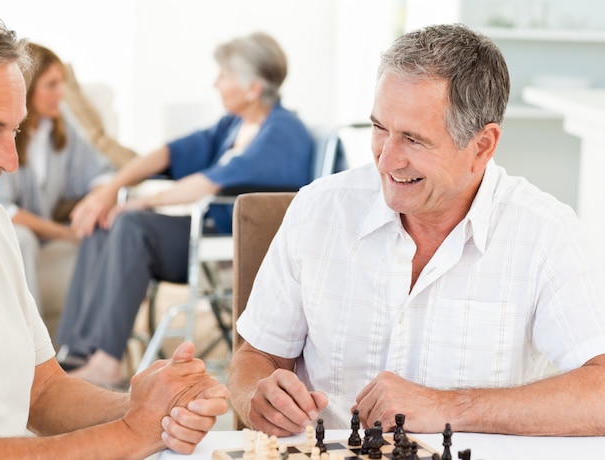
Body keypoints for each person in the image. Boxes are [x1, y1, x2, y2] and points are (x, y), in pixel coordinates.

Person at [228, 24, 605, 437]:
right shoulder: (318, 210)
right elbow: (258, 356)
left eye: (413, 139)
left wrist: (448, 406)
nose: (387, 160)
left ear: (482, 146)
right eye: (379, 128)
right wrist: (255, 397)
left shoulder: (547, 234)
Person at [0, 6, 228, 457]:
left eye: (13, 131)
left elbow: (41, 392)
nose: (8, 160)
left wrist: (149, 405)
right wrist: (129, 435)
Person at [56, 31, 314, 387]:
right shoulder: (233, 125)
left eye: (223, 76)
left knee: (133, 224)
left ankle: (105, 362)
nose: (216, 83)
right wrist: (110, 191)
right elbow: (169, 153)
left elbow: (208, 183)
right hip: (209, 236)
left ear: (253, 88)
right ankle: (74, 352)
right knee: (106, 220)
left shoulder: (283, 132)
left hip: (237, 245)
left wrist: (139, 201)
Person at [0, 42, 115, 313]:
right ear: (29, 86)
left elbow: (101, 172)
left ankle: (83, 343)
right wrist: (64, 233)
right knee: (21, 237)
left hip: (47, 227)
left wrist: (96, 203)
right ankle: (29, 340)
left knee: (105, 227)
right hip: (9, 228)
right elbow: (4, 210)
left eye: (62, 83)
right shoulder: (3, 131)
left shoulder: (60, 125)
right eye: (52, 85)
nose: (61, 93)